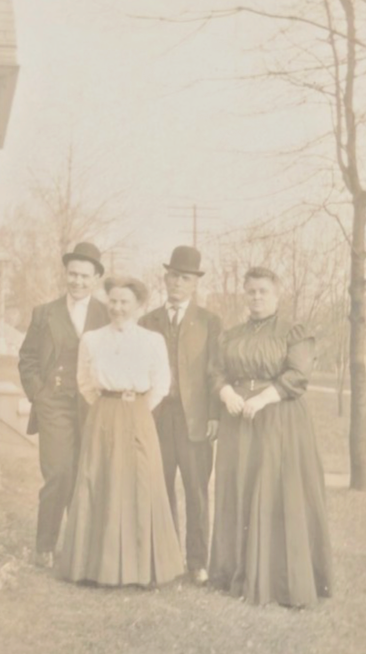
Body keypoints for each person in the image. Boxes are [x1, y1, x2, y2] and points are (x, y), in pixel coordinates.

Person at [209, 266, 332, 608]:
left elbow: (298, 375)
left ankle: (277, 579)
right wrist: (226, 394)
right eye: (251, 291)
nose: (257, 297)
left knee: (275, 491)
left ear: (277, 295)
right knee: (239, 489)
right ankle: (234, 571)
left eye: (263, 291)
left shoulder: (294, 332)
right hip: (238, 420)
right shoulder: (231, 334)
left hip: (278, 417)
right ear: (244, 295)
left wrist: (263, 398)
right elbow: (217, 370)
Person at [58, 275, 185, 588]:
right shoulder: (92, 338)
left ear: (138, 305)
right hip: (103, 413)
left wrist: (136, 407)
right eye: (112, 301)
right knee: (98, 479)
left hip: (138, 414)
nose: (117, 308)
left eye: (124, 302)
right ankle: (95, 566)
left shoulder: (151, 340)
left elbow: (161, 385)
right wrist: (107, 405)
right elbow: (85, 381)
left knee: (139, 481)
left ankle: (141, 568)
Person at [18, 242, 108, 566]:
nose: (78, 282)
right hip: (54, 402)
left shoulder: (106, 315)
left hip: (91, 405)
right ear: (65, 274)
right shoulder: (45, 313)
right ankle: (45, 545)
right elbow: (27, 358)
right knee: (58, 472)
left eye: (85, 276)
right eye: (73, 274)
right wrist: (38, 394)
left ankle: (81, 547)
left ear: (96, 278)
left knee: (86, 474)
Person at [140, 245, 221, 584]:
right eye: (173, 276)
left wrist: (215, 414)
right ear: (165, 278)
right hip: (158, 417)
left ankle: (198, 562)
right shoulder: (148, 321)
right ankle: (168, 557)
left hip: (196, 420)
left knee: (197, 490)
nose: (177, 283)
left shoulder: (209, 322)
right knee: (161, 487)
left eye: (185, 278)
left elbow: (217, 371)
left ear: (195, 284)